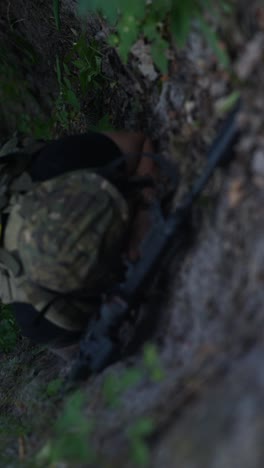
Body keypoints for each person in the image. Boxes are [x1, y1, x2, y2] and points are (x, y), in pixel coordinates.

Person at [0, 130, 158, 359]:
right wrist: (143, 215)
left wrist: (141, 223)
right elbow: (141, 142)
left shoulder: (35, 321)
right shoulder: (59, 159)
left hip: (70, 312)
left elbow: (81, 353)